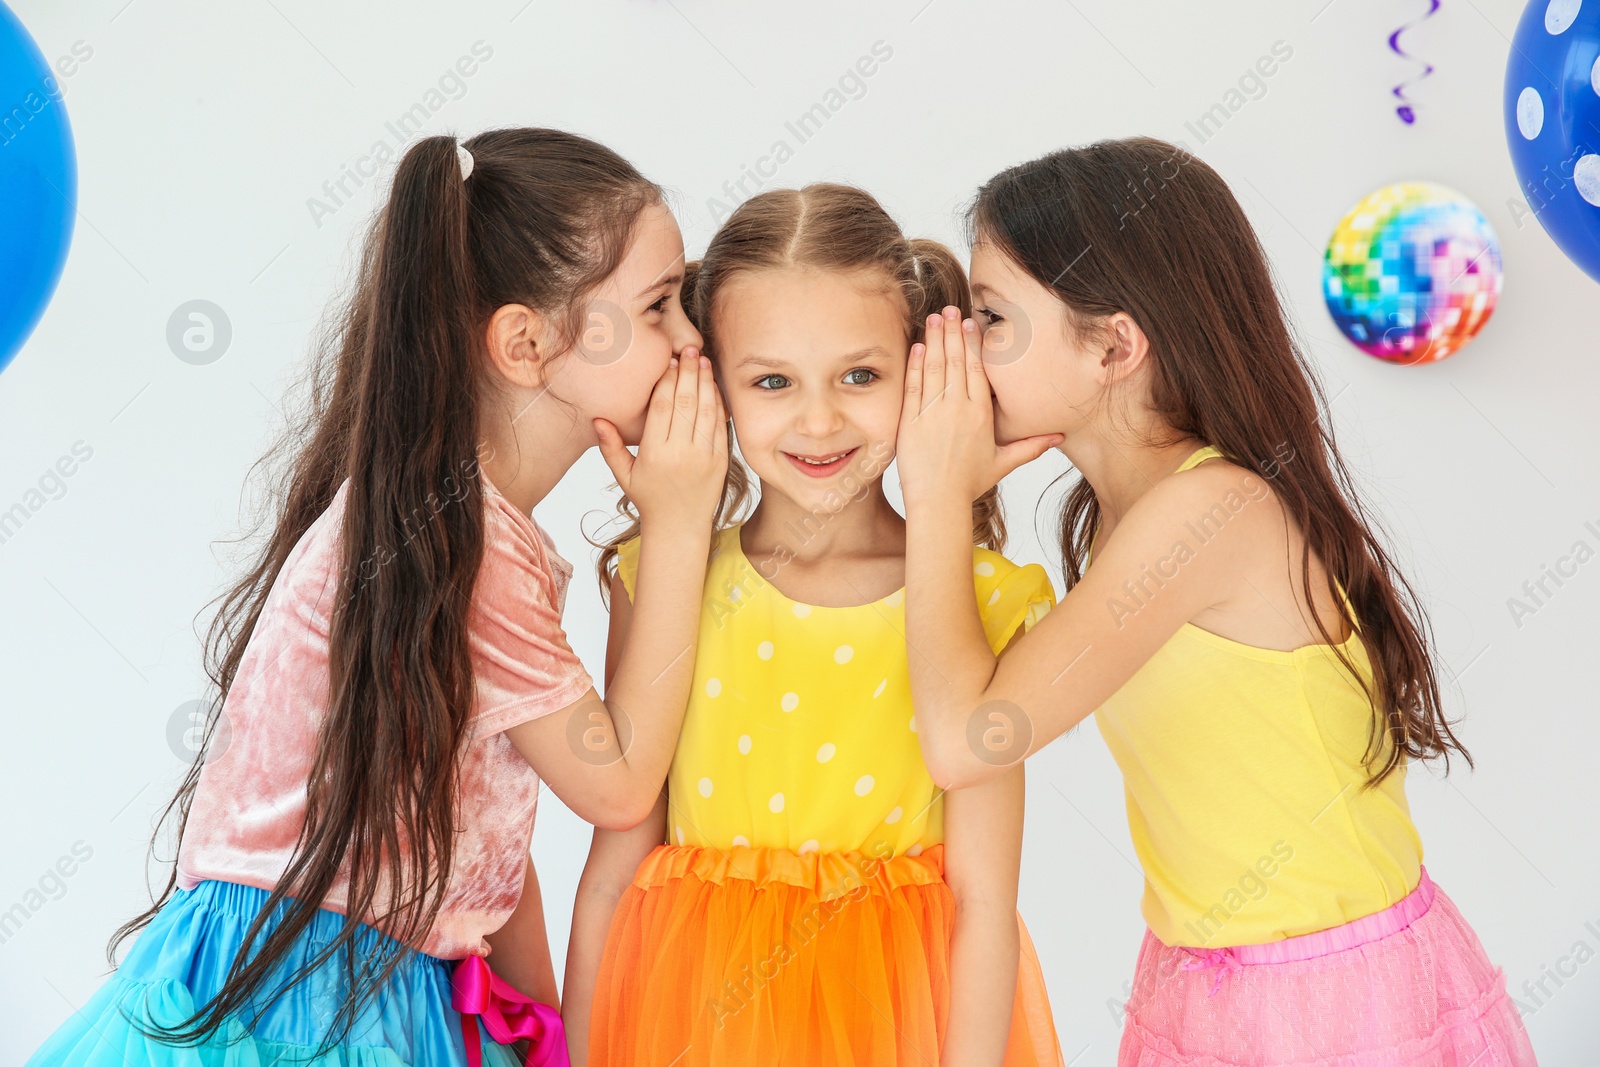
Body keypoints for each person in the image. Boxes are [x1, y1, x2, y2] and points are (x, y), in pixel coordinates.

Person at [26, 128, 727, 1066]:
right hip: (308, 994)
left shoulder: (459, 526)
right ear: (525, 343)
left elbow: (482, 837)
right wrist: (680, 527)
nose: (692, 341)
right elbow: (619, 783)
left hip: (375, 975)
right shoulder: (463, 538)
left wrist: (547, 1035)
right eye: (659, 306)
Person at [893, 137, 1539, 1066]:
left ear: (1114, 344)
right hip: (1209, 980)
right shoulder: (1123, 515)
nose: (957, 345)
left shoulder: (1209, 512)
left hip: (1332, 1003)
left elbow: (965, 739)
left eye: (991, 317)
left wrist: (936, 500)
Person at [564, 184, 1065, 1067]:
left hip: (895, 1032)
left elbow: (985, 899)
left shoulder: (982, 602)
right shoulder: (666, 577)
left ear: (921, 370)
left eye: (860, 375)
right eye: (771, 381)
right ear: (710, 382)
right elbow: (612, 872)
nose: (820, 419)